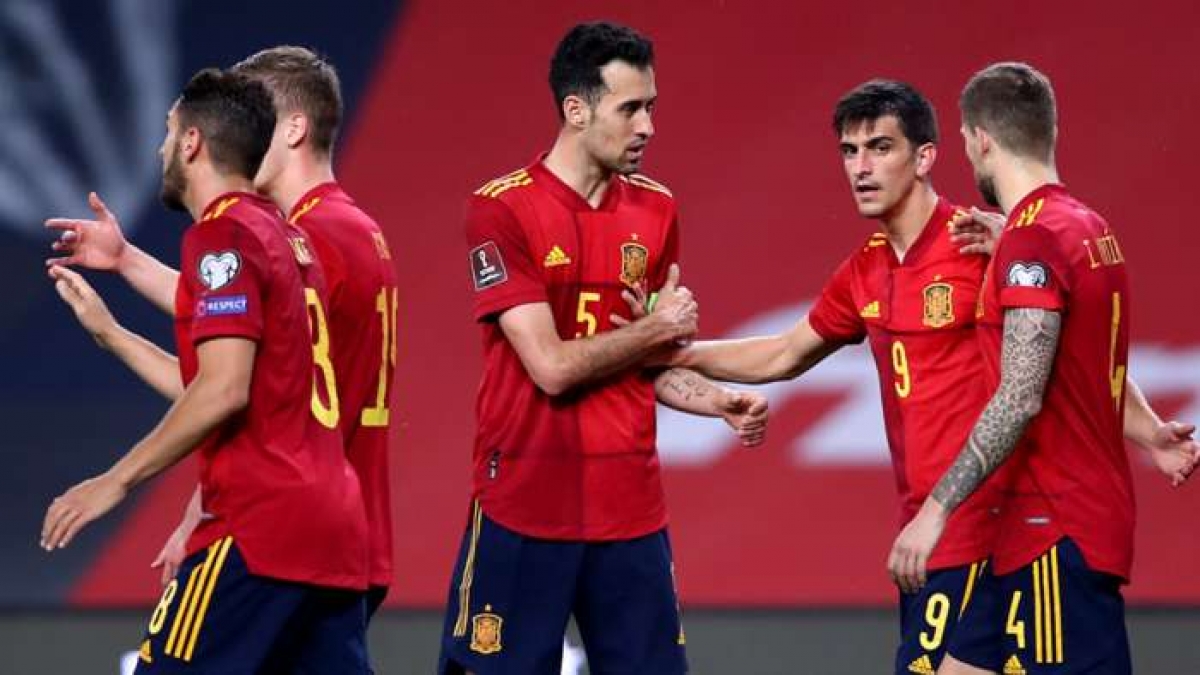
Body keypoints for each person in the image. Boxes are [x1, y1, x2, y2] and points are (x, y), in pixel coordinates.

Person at [439, 21, 767, 675]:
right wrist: (656, 329)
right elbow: (552, 367)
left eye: (651, 107)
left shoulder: (657, 210)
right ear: (576, 109)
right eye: (630, 108)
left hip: (630, 513)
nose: (647, 126)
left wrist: (714, 400)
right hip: (524, 506)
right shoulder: (501, 210)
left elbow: (645, 365)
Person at [662, 79, 1007, 674]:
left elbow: (1056, 349)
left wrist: (1149, 430)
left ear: (925, 157)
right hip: (924, 534)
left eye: (880, 148)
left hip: (988, 526)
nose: (861, 168)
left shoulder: (981, 243)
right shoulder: (865, 269)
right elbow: (784, 354)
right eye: (850, 151)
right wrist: (676, 353)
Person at [46, 46, 398, 621]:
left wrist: (195, 513)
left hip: (281, 533)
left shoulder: (307, 236)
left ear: (293, 129)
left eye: (259, 112)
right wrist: (127, 264)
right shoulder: (335, 230)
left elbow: (242, 392)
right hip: (336, 527)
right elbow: (239, 331)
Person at [888, 62, 1199, 675]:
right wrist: (1150, 433)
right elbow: (1083, 359)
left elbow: (1021, 394)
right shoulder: (1086, 228)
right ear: (1049, 131)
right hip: (1036, 528)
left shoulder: (1032, 243)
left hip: (1052, 528)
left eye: (965, 140)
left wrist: (935, 510)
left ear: (981, 139)